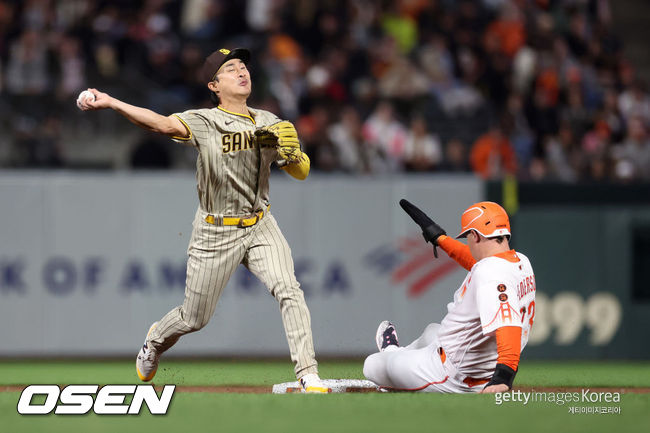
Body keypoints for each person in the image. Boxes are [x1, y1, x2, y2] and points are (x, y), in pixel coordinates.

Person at [78, 47, 329, 393]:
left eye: (243, 66)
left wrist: (293, 154)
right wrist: (113, 102)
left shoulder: (271, 121)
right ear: (214, 85)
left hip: (260, 224)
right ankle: (154, 341)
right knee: (194, 318)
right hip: (215, 231)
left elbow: (301, 172)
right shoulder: (205, 121)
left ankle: (308, 373)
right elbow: (162, 124)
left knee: (289, 289)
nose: (242, 71)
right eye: (231, 68)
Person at [363, 200, 536, 393]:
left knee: (372, 365)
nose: (468, 243)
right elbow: (478, 263)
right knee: (431, 331)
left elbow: (508, 326)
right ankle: (402, 356)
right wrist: (441, 239)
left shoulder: (490, 274)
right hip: (473, 362)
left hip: (452, 375)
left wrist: (502, 378)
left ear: (476, 236)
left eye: (467, 237)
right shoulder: (520, 261)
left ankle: (392, 353)